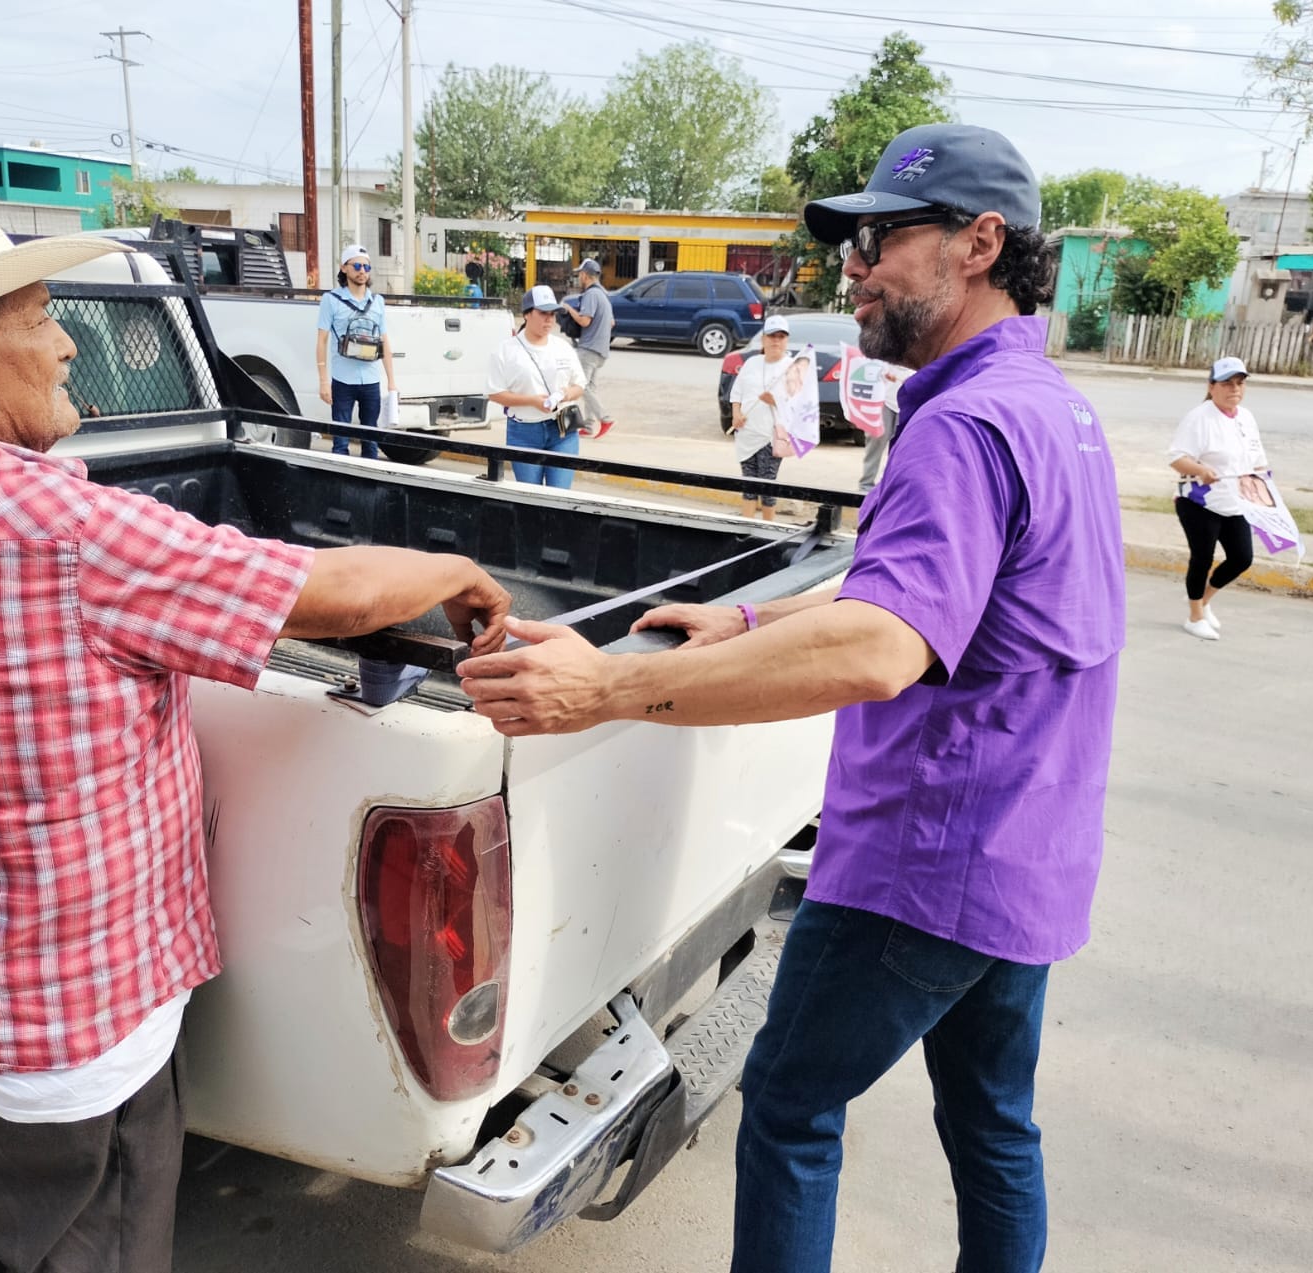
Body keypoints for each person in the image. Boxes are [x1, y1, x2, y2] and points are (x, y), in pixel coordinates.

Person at [0, 179, 510, 1273]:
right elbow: (331, 594)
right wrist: (455, 569)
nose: (68, 344)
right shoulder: (63, 533)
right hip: (71, 1049)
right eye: (40, 318)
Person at [456, 123, 1126, 1273]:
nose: (852, 267)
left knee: (788, 1107)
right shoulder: (1048, 407)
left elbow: (880, 646)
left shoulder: (962, 426)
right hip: (1030, 849)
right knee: (993, 1125)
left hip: (927, 864)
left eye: (881, 239)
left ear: (978, 244)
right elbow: (931, 596)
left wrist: (606, 686)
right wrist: (752, 623)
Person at [1168, 356, 1268, 641]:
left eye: (1239, 383)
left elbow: (1257, 460)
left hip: (1235, 502)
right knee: (1202, 558)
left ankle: (1204, 600)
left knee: (1241, 557)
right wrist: (1201, 470)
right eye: (1226, 383)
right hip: (1199, 501)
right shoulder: (1199, 418)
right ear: (1211, 387)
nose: (1234, 389)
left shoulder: (1246, 418)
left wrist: (1262, 484)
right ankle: (1194, 617)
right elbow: (1176, 458)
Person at [486, 284, 588, 488]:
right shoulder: (506, 350)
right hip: (524, 432)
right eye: (543, 313)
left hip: (562, 431)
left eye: (552, 314)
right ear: (527, 314)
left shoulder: (563, 347)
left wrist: (566, 394)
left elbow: (580, 385)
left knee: (559, 495)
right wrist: (532, 401)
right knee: (530, 496)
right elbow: (495, 393)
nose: (549, 319)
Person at [316, 243, 396, 458]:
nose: (362, 271)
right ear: (344, 268)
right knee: (340, 442)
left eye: (366, 267)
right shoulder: (331, 300)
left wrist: (391, 382)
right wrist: (323, 381)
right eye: (357, 266)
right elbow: (322, 340)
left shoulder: (377, 301)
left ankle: (368, 477)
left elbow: (384, 341)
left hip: (371, 380)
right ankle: (340, 477)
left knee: (371, 441)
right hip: (343, 380)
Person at [730, 314, 794, 521]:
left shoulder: (791, 367)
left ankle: (767, 529)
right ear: (763, 339)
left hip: (771, 436)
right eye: (772, 336)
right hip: (747, 433)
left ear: (786, 340)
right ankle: (746, 526)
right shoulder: (752, 363)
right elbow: (737, 393)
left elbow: (798, 404)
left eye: (781, 337)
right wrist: (736, 414)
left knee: (767, 485)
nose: (776, 341)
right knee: (749, 485)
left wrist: (775, 401)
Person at [564, 257, 616, 438]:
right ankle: (587, 426)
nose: (579, 277)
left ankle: (605, 418)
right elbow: (611, 323)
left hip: (589, 349)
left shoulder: (591, 295)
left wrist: (569, 310)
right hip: (601, 350)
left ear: (585, 275)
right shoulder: (604, 295)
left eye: (580, 274)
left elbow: (585, 321)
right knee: (590, 388)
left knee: (581, 386)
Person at [860, 362, 911, 493]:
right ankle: (866, 484)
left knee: (900, 446)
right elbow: (876, 367)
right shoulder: (888, 356)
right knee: (876, 440)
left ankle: (889, 484)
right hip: (885, 401)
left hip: (907, 403)